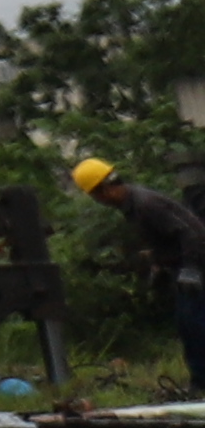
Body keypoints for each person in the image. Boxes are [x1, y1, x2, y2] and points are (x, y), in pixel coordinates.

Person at [73, 154, 205, 386]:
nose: (99, 201)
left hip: (197, 266)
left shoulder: (146, 205)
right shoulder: (133, 205)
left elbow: (191, 232)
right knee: (189, 325)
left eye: (96, 196)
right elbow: (166, 238)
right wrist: (158, 262)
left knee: (194, 325)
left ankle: (202, 383)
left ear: (103, 190)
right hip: (182, 266)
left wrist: (191, 269)